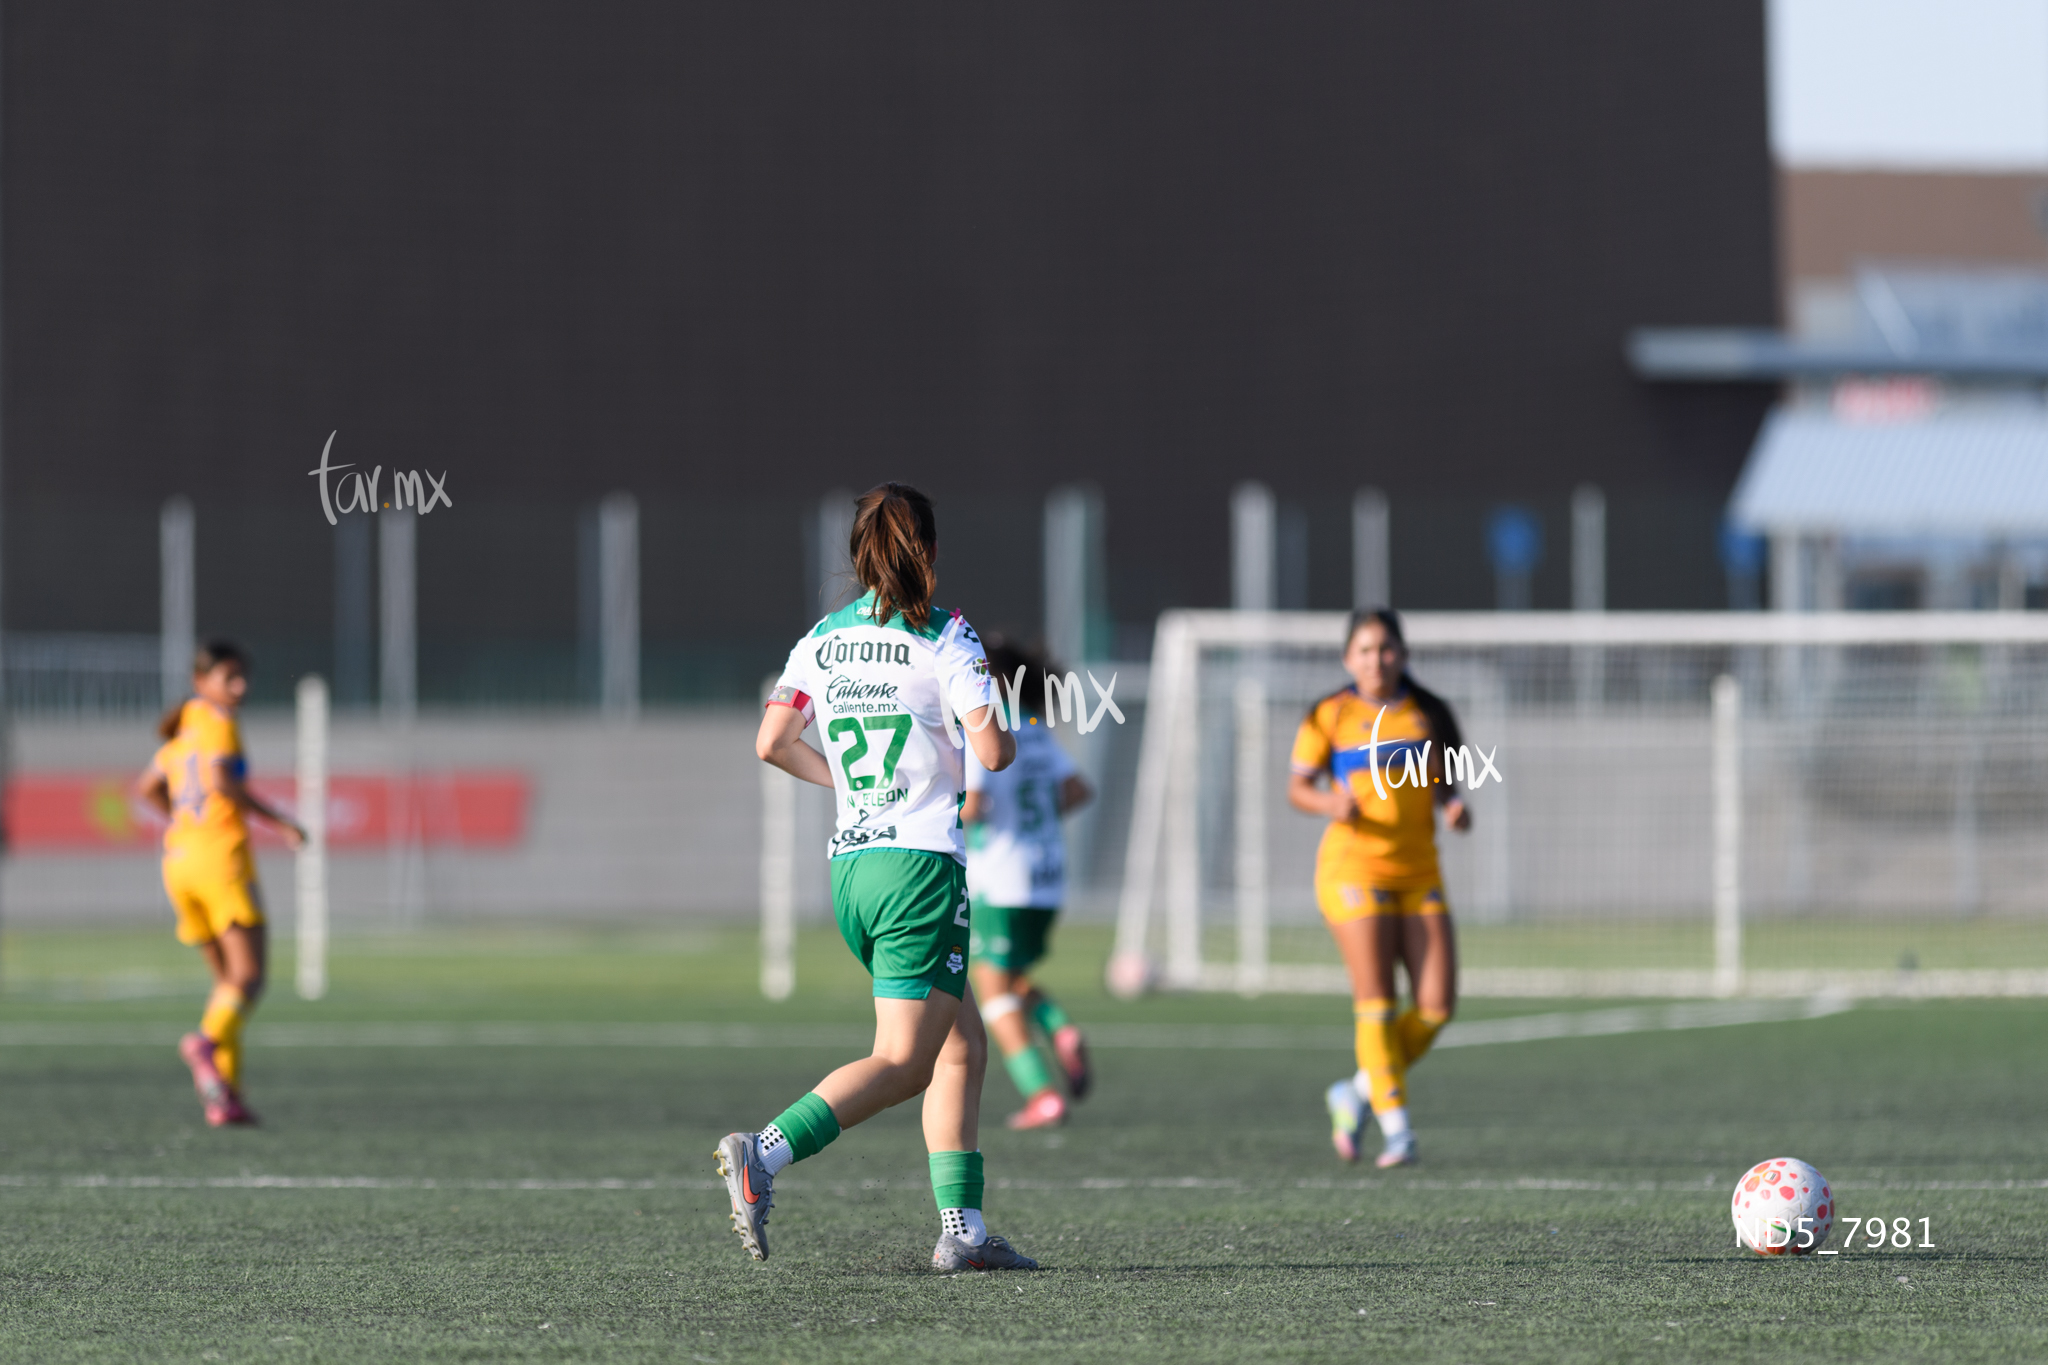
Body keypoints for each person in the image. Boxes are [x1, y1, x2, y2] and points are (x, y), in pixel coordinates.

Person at [720, 482, 1038, 1272]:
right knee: (904, 1060)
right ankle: (763, 1152)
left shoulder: (823, 638)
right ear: (926, 550)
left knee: (960, 1041)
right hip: (920, 870)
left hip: (855, 868)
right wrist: (992, 715)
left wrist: (855, 788)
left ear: (858, 553)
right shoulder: (945, 633)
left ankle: (961, 1229)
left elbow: (772, 740)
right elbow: (993, 753)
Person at [1287, 609, 1470, 1168]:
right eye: (1364, 650)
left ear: (1403, 654)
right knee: (1378, 1003)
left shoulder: (1429, 712)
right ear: (1348, 658)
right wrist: (1327, 801)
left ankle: (1357, 1092)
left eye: (1386, 648)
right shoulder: (1329, 713)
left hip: (1418, 872)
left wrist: (1456, 807)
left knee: (1436, 1007)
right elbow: (1298, 787)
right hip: (1351, 870)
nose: (1376, 659)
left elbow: (1446, 783)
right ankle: (1399, 1132)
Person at [137, 641, 306, 1127]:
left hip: (178, 862)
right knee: (249, 978)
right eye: (229, 677)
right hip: (220, 862)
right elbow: (223, 784)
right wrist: (283, 822)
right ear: (201, 682)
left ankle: (223, 1098)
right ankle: (204, 1047)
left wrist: (180, 823)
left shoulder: (181, 734)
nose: (240, 687)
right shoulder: (218, 724)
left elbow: (148, 787)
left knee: (225, 986)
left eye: (242, 676)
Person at [963, 640, 1095, 1130]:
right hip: (1046, 876)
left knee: (992, 987)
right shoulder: (1037, 729)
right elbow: (1079, 789)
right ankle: (1060, 1029)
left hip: (1001, 877)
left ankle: (1042, 1094)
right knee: (1010, 975)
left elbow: (973, 804)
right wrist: (1033, 821)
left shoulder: (986, 722)